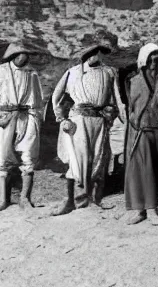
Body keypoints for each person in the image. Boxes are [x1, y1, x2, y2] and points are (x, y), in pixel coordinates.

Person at [51, 43, 125, 216]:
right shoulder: (73, 72)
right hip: (79, 121)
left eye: (97, 54)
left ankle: (94, 200)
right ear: (85, 55)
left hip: (100, 121)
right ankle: (71, 201)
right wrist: (61, 118)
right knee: (77, 160)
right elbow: (56, 96)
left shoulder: (109, 72)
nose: (95, 57)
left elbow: (117, 99)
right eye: (91, 53)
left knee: (99, 159)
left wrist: (116, 116)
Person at [0, 41, 44, 211]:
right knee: (3, 158)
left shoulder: (32, 73)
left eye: (26, 54)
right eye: (20, 54)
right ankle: (4, 199)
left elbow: (38, 98)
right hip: (5, 117)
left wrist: (36, 117)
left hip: (27, 117)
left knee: (28, 157)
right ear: (13, 55)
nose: (23, 57)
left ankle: (25, 198)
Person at [123, 43, 158, 226]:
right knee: (139, 172)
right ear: (144, 61)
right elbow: (130, 108)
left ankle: (152, 207)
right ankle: (141, 209)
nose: (155, 63)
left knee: (156, 170)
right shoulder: (134, 81)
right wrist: (133, 124)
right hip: (139, 134)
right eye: (151, 59)